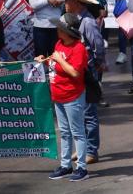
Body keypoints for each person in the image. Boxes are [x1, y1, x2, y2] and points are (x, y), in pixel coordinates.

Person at [38, 13, 90, 182]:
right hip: (58, 95)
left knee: (77, 132)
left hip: (72, 95)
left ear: (67, 31)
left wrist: (60, 60)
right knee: (65, 133)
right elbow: (54, 63)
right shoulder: (59, 43)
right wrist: (44, 60)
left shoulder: (78, 48)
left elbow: (75, 72)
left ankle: (81, 167)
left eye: (60, 28)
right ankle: (65, 165)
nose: (57, 30)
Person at [62, 0, 105, 163]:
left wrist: (97, 63)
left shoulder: (86, 22)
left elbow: (98, 44)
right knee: (78, 112)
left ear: (76, 2)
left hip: (86, 70)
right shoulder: (73, 19)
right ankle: (83, 147)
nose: (65, 2)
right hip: (76, 71)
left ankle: (91, 150)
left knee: (88, 112)